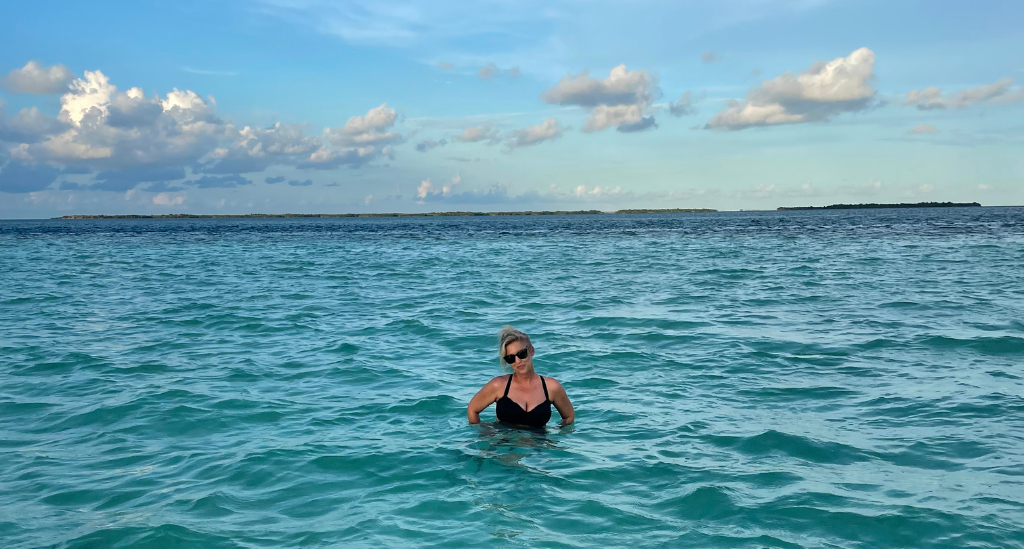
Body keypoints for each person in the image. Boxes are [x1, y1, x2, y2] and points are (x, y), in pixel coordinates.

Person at [467, 326, 574, 428]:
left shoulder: (552, 387)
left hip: (538, 445)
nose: (518, 361)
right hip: (503, 445)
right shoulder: (499, 385)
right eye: (510, 358)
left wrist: (555, 435)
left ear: (531, 351)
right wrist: (484, 433)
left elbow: (569, 417)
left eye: (522, 354)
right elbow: (472, 410)